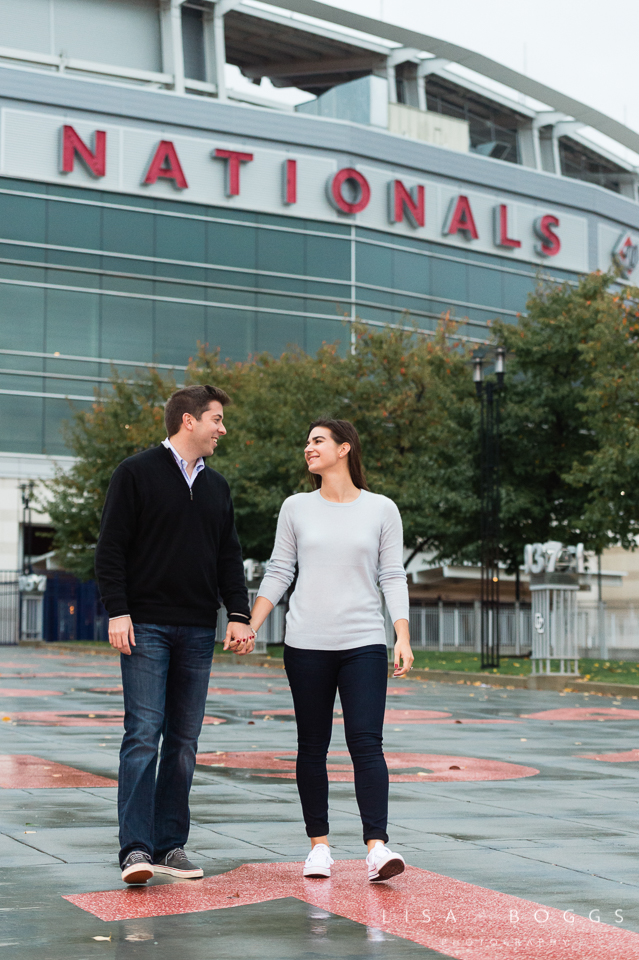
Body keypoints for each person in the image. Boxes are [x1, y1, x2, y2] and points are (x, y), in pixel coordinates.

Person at [95, 384, 254, 886]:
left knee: (184, 742)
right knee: (143, 736)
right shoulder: (136, 473)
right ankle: (136, 849)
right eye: (216, 419)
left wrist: (239, 614)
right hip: (146, 626)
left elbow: (229, 556)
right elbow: (111, 549)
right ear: (188, 421)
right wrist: (118, 611)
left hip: (196, 629)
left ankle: (169, 845)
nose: (222, 429)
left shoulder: (218, 487)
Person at [250, 418, 413, 883]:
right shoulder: (296, 508)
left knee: (366, 743)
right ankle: (318, 847)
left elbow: (392, 575)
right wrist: (252, 624)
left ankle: (377, 847)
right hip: (305, 644)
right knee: (312, 746)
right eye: (306, 442)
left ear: (345, 448)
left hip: (363, 642)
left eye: (317, 440)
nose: (308, 448)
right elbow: (280, 570)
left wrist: (401, 635)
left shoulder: (382, 509)